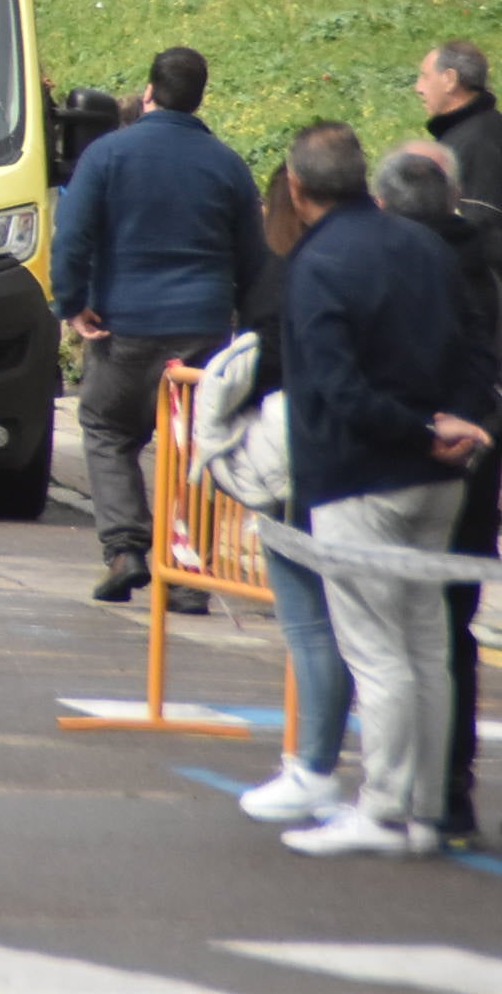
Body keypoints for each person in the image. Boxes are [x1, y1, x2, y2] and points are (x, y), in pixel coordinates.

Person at [275, 121, 493, 857]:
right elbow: (475, 345)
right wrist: (453, 425)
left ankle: (383, 806)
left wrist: (409, 429)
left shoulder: (319, 263)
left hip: (360, 475)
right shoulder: (426, 246)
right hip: (442, 477)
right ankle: (429, 811)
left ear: (298, 188)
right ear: (365, 178)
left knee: (377, 652)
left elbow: (333, 386)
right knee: (428, 645)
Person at [50, 45, 266, 610]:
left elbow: (71, 235)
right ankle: (190, 576)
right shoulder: (227, 164)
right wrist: (246, 325)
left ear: (148, 92)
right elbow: (254, 258)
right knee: (197, 445)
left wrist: (72, 305)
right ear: (200, 96)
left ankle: (125, 548)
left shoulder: (108, 154)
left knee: (106, 428)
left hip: (125, 327)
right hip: (202, 333)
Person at [372, 142, 502, 849]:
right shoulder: (484, 264)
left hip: (396, 463)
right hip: (473, 464)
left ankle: (397, 786)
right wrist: (473, 429)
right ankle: (448, 789)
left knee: (387, 629)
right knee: (449, 629)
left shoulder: (391, 262)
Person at [237, 163, 358, 829]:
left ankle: (313, 765)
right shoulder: (391, 258)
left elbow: (269, 362)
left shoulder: (290, 273)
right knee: (389, 641)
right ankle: (409, 792)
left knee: (312, 626)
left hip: (298, 462)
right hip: (374, 462)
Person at [416, 41, 502, 234]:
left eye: (425, 76)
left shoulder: (477, 143)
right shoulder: (479, 128)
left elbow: (481, 221)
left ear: (450, 80)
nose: (418, 88)